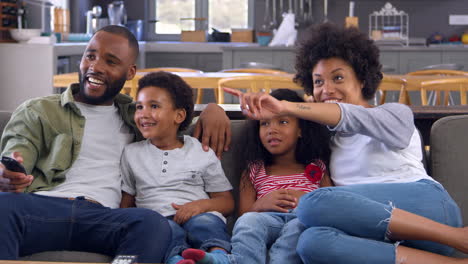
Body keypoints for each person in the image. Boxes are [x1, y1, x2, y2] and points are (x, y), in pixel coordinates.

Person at [224, 23, 467, 264]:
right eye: (318, 82)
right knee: (311, 242)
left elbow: (348, 115)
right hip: (377, 234)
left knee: (313, 202)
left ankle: (458, 237)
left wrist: (286, 106)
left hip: (430, 212)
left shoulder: (394, 115)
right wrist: (214, 111)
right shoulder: (323, 139)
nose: (327, 89)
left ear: (361, 79)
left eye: (337, 77)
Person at [0, 25, 231, 262]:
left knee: (152, 223)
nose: (95, 66)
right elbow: (18, 151)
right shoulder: (39, 110)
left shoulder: (137, 116)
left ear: (130, 72)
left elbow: (172, 118)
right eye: (90, 55)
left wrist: (214, 108)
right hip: (41, 209)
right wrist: (9, 173)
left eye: (110, 62)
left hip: (102, 217)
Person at [181, 89, 332, 264]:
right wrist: (261, 204)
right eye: (264, 124)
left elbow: (330, 203)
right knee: (248, 222)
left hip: (301, 219)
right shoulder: (254, 170)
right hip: (267, 220)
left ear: (300, 130)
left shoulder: (317, 166)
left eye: (282, 122)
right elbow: (243, 216)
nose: (272, 130)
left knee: (297, 227)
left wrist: (307, 200)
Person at [119, 71, 234, 264]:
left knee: (205, 223)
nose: (143, 114)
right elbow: (126, 202)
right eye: (139, 107)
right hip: (157, 220)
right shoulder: (131, 153)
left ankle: (218, 257)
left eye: (154, 106)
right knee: (164, 230)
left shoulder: (200, 150)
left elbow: (226, 202)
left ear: (179, 115)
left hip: (198, 213)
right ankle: (176, 260)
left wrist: (199, 206)